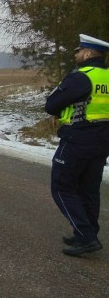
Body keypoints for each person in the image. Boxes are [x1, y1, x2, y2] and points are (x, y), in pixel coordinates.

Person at [45, 33, 109, 256]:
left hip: (77, 139)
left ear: (89, 53)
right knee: (89, 190)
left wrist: (57, 111)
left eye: (79, 51)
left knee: (61, 187)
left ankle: (86, 235)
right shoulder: (107, 77)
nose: (76, 54)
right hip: (102, 141)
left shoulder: (81, 77)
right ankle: (86, 233)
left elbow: (52, 103)